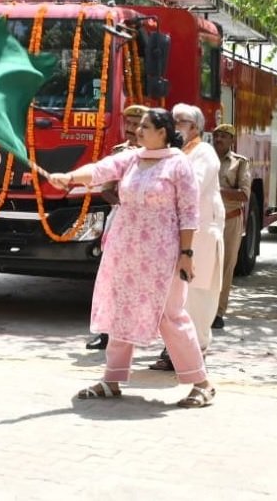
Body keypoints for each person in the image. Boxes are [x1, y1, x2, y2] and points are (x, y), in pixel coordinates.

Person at [47, 108, 215, 408]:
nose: (138, 131)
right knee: (120, 309)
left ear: (162, 132)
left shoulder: (179, 164)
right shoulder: (133, 159)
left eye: (145, 127)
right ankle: (111, 380)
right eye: (138, 127)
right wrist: (70, 177)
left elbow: (190, 214)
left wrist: (187, 254)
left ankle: (201, 383)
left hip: (164, 254)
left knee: (170, 316)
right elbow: (101, 170)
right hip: (126, 250)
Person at [148, 103, 223, 370]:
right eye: (173, 120)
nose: (174, 125)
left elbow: (190, 187)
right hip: (175, 234)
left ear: (194, 127)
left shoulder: (204, 152)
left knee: (197, 292)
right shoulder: (172, 152)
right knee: (174, 293)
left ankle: (196, 349)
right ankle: (175, 348)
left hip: (200, 234)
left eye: (179, 121)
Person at [85, 104, 149, 351]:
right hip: (121, 220)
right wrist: (124, 205)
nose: (132, 129)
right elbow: (106, 191)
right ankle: (106, 333)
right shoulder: (119, 153)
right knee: (111, 278)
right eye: (129, 124)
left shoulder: (159, 155)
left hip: (149, 226)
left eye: (138, 124)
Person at [213, 123, 251, 330]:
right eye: (217, 135)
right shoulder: (204, 159)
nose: (219, 139)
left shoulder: (240, 163)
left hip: (230, 220)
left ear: (231, 141)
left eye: (224, 136)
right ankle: (204, 310)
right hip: (207, 220)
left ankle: (218, 312)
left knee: (225, 267)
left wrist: (217, 190)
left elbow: (244, 194)